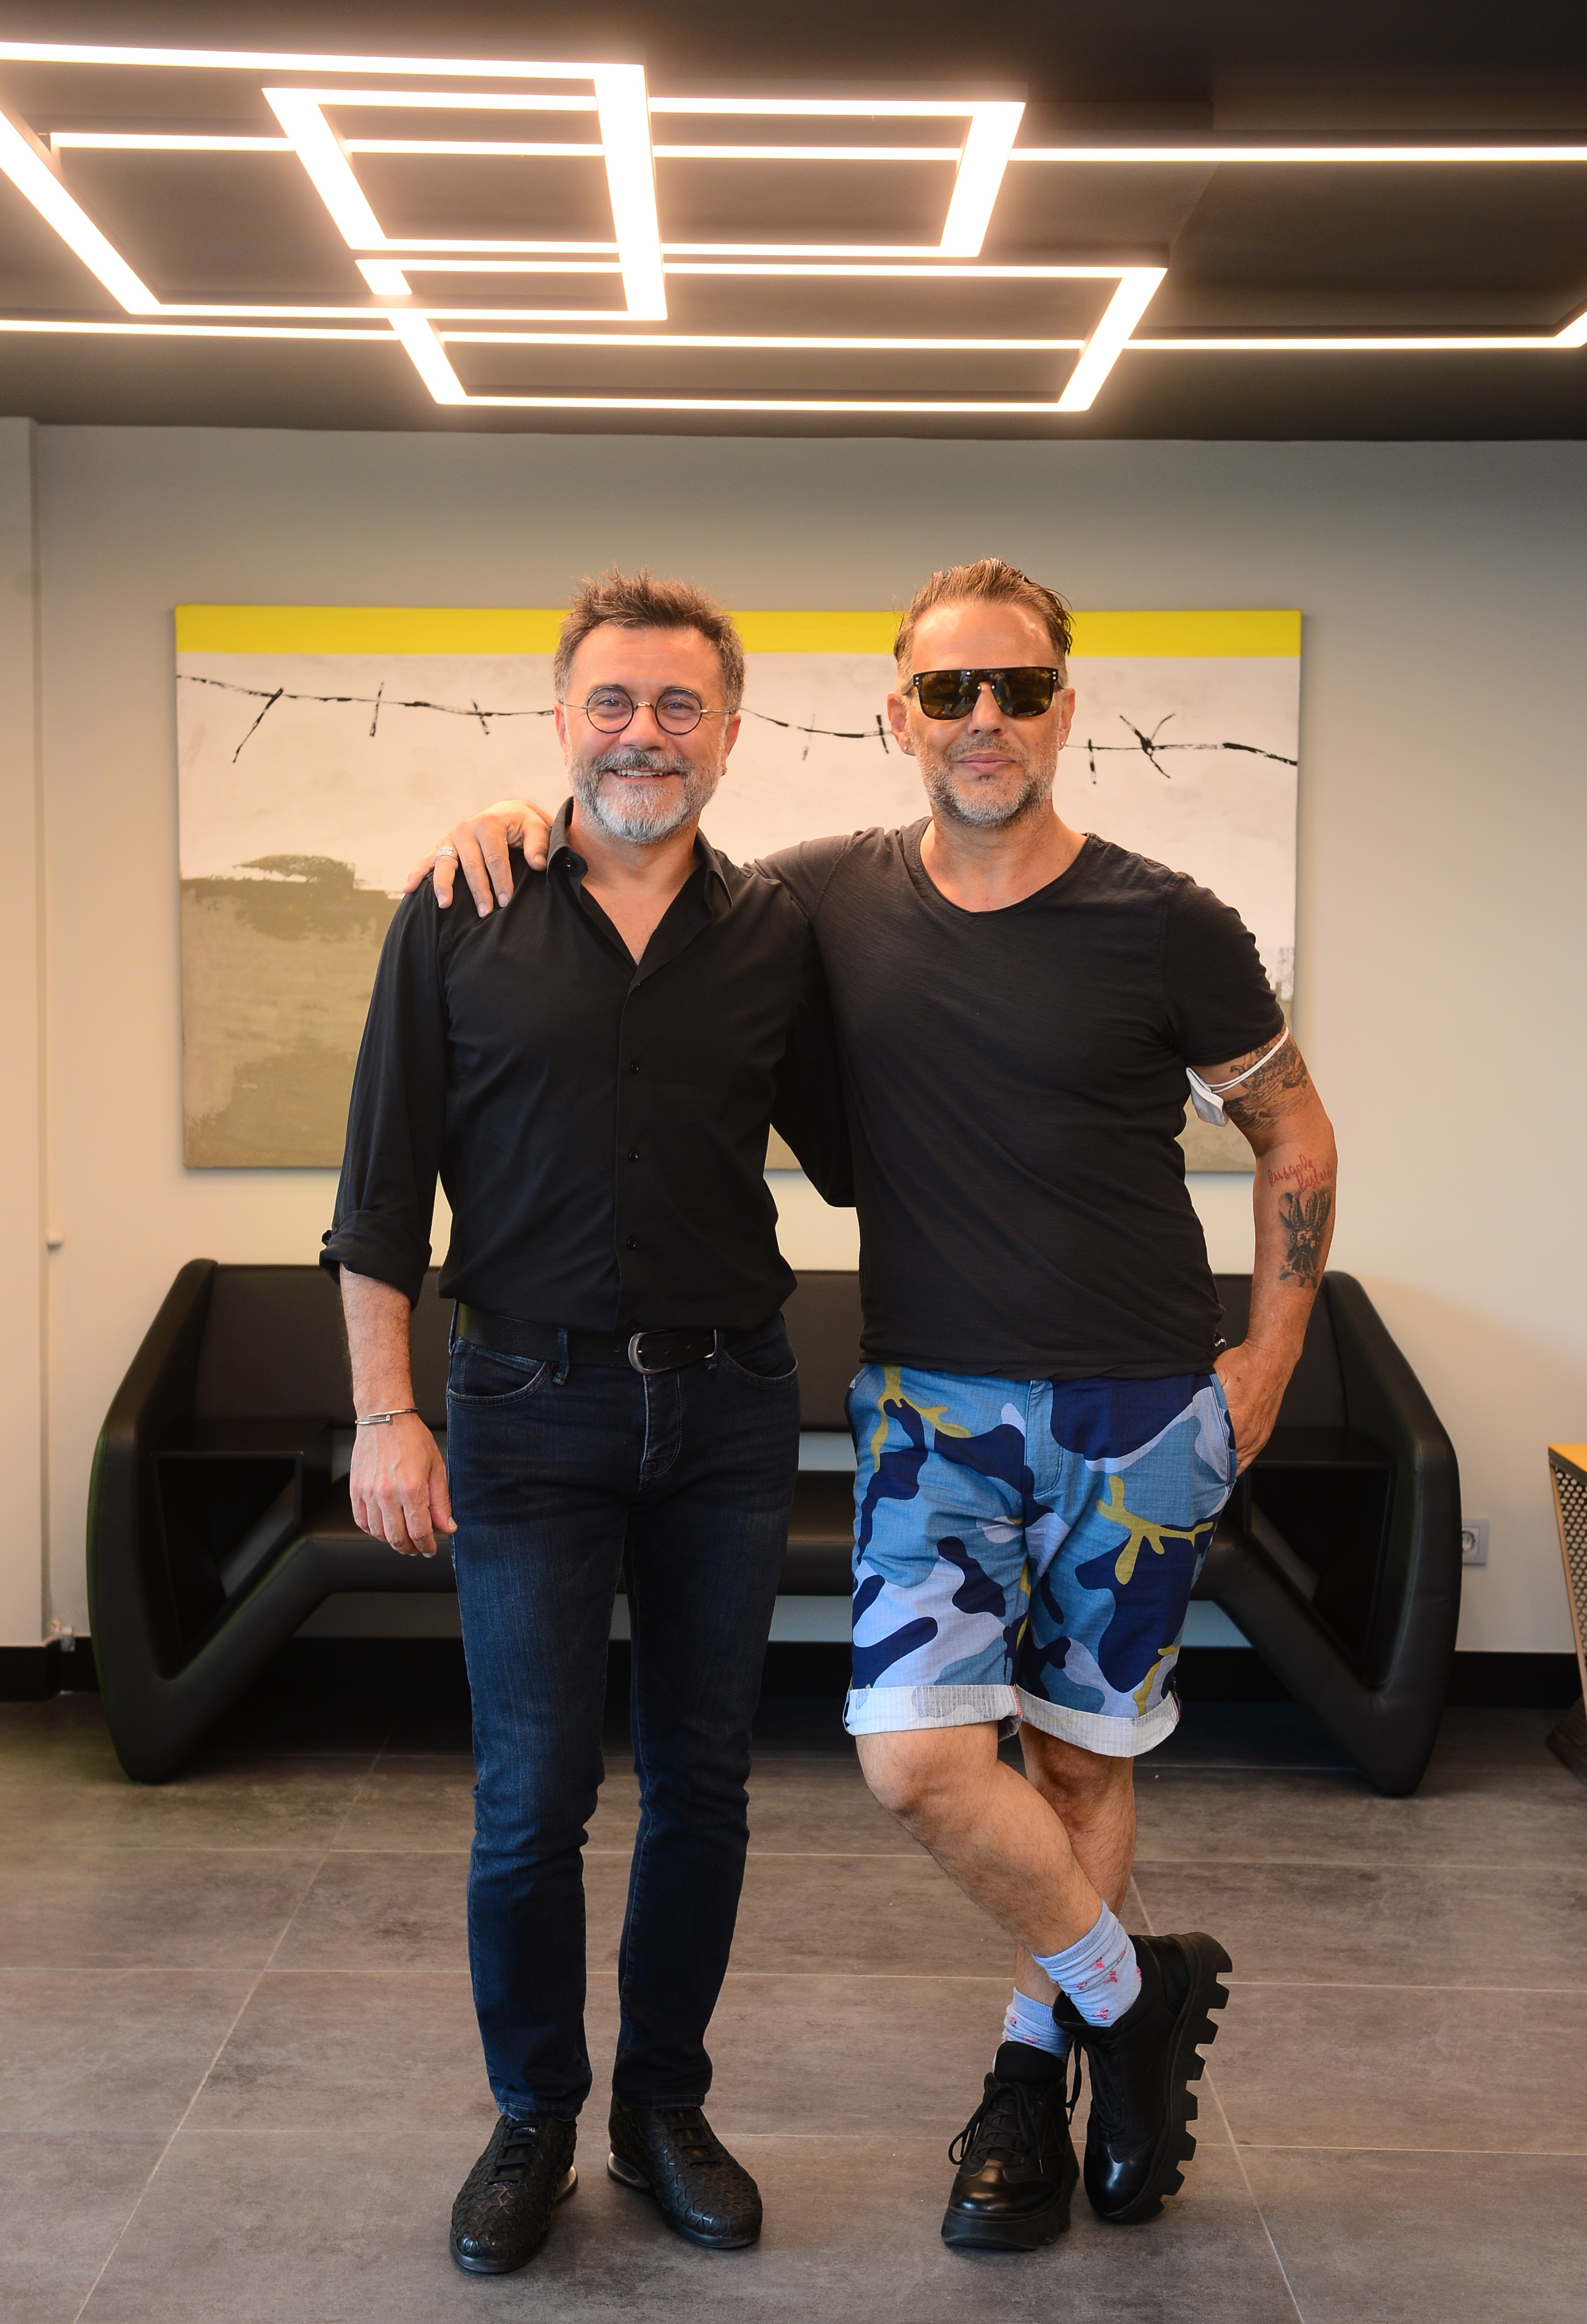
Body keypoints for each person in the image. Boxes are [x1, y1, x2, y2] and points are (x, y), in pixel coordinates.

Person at [412, 558, 1338, 2256]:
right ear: (896, 712)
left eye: (1021, 688)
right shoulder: (818, 898)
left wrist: (1268, 1357)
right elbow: (641, 840)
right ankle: (1134, 2000)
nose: (987, 718)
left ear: (1065, 706)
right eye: (952, 689)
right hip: (933, 1401)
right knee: (918, 1760)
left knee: (1077, 1767)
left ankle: (1030, 2083)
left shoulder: (1169, 919)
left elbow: (1294, 1127)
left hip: (1142, 1407)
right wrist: (518, 825)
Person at [322, 570, 850, 2276]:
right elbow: (379, 1193)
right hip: (525, 1408)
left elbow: (868, 1149)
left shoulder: (778, 934)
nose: (644, 733)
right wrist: (386, 1413)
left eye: (679, 705)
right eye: (612, 702)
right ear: (562, 722)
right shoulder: (455, 910)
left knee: (704, 1783)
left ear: (731, 733)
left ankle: (662, 2109)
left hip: (730, 1407)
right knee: (531, 1793)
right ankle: (535, 2117)